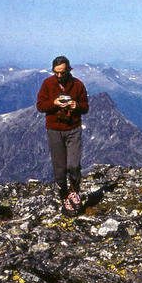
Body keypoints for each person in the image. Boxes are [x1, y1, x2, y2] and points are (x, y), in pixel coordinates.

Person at [36, 56, 89, 215]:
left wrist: (76, 105)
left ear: (68, 70)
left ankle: (74, 190)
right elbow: (40, 106)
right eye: (56, 72)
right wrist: (54, 103)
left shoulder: (78, 85)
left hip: (73, 129)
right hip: (54, 130)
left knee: (74, 165)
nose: (59, 76)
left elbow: (85, 107)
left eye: (62, 72)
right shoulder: (47, 84)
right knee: (59, 169)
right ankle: (64, 195)